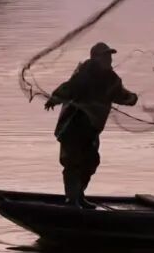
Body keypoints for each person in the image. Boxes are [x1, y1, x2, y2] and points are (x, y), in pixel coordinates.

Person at [44, 42, 138, 208]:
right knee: (72, 162)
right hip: (73, 126)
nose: (109, 58)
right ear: (95, 58)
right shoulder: (86, 73)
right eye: (105, 55)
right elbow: (70, 87)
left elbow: (120, 95)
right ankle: (72, 200)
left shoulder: (111, 78)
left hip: (90, 129)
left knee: (90, 162)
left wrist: (131, 98)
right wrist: (56, 97)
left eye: (110, 55)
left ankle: (79, 196)